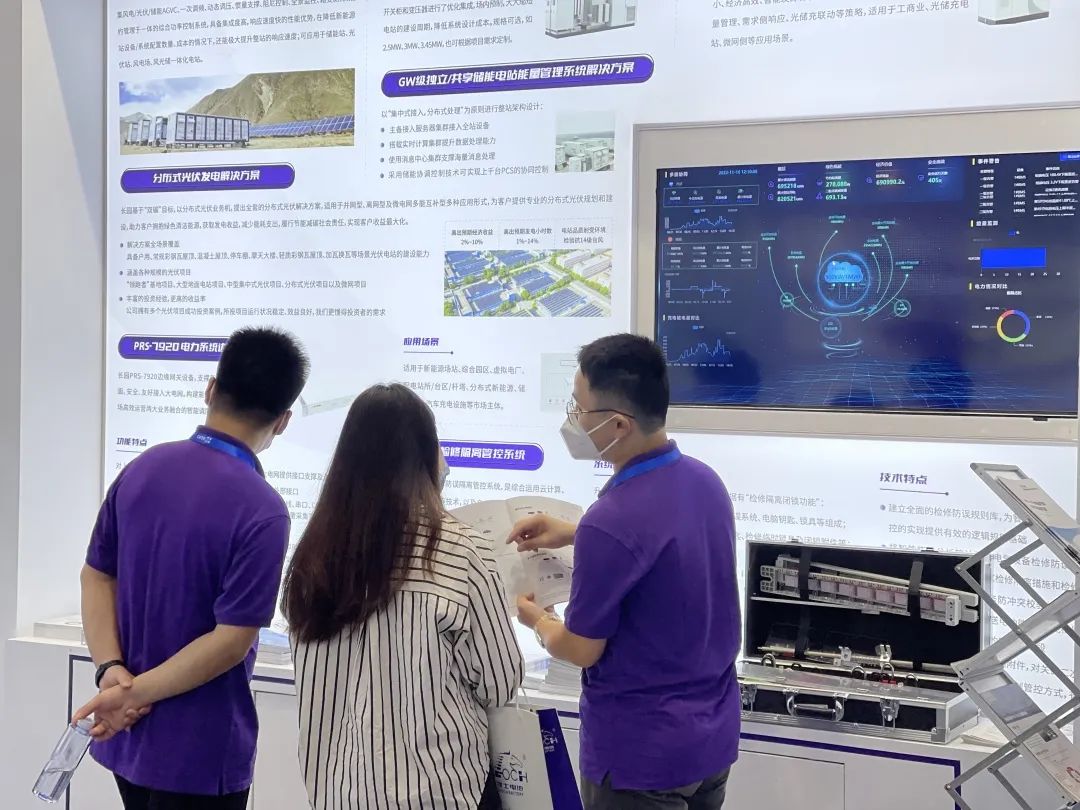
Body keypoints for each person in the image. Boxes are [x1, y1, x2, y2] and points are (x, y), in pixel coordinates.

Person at [73, 327, 310, 810]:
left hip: (128, 737)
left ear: (211, 388)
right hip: (199, 752)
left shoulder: (142, 468)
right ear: (284, 421)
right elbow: (231, 641)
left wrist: (112, 672)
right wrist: (131, 693)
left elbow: (95, 575)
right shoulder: (263, 509)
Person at [511, 333, 740, 810]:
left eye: (578, 409)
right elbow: (666, 549)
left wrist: (538, 620)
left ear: (617, 424)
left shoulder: (611, 520)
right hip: (711, 743)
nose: (572, 420)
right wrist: (573, 532)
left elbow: (582, 649)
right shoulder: (705, 482)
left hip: (641, 757)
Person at [282, 383, 523, 810]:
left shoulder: (314, 552)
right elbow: (499, 681)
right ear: (426, 455)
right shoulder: (460, 549)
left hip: (338, 791)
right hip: (438, 792)